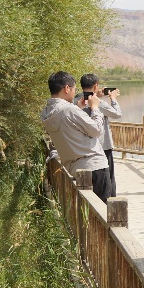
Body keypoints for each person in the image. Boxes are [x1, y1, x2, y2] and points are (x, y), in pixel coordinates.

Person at [41, 71, 114, 203]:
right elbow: (97, 130)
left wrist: (78, 109)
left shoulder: (46, 113)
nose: (75, 92)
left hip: (74, 168)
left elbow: (68, 127)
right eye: (74, 89)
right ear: (67, 88)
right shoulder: (69, 110)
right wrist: (95, 108)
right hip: (94, 166)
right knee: (103, 209)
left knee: (86, 209)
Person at [79, 73, 122, 196]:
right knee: (108, 180)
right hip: (103, 146)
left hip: (85, 149)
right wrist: (113, 99)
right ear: (95, 86)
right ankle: (111, 203)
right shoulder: (99, 103)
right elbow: (117, 114)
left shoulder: (78, 101)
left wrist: (97, 95)